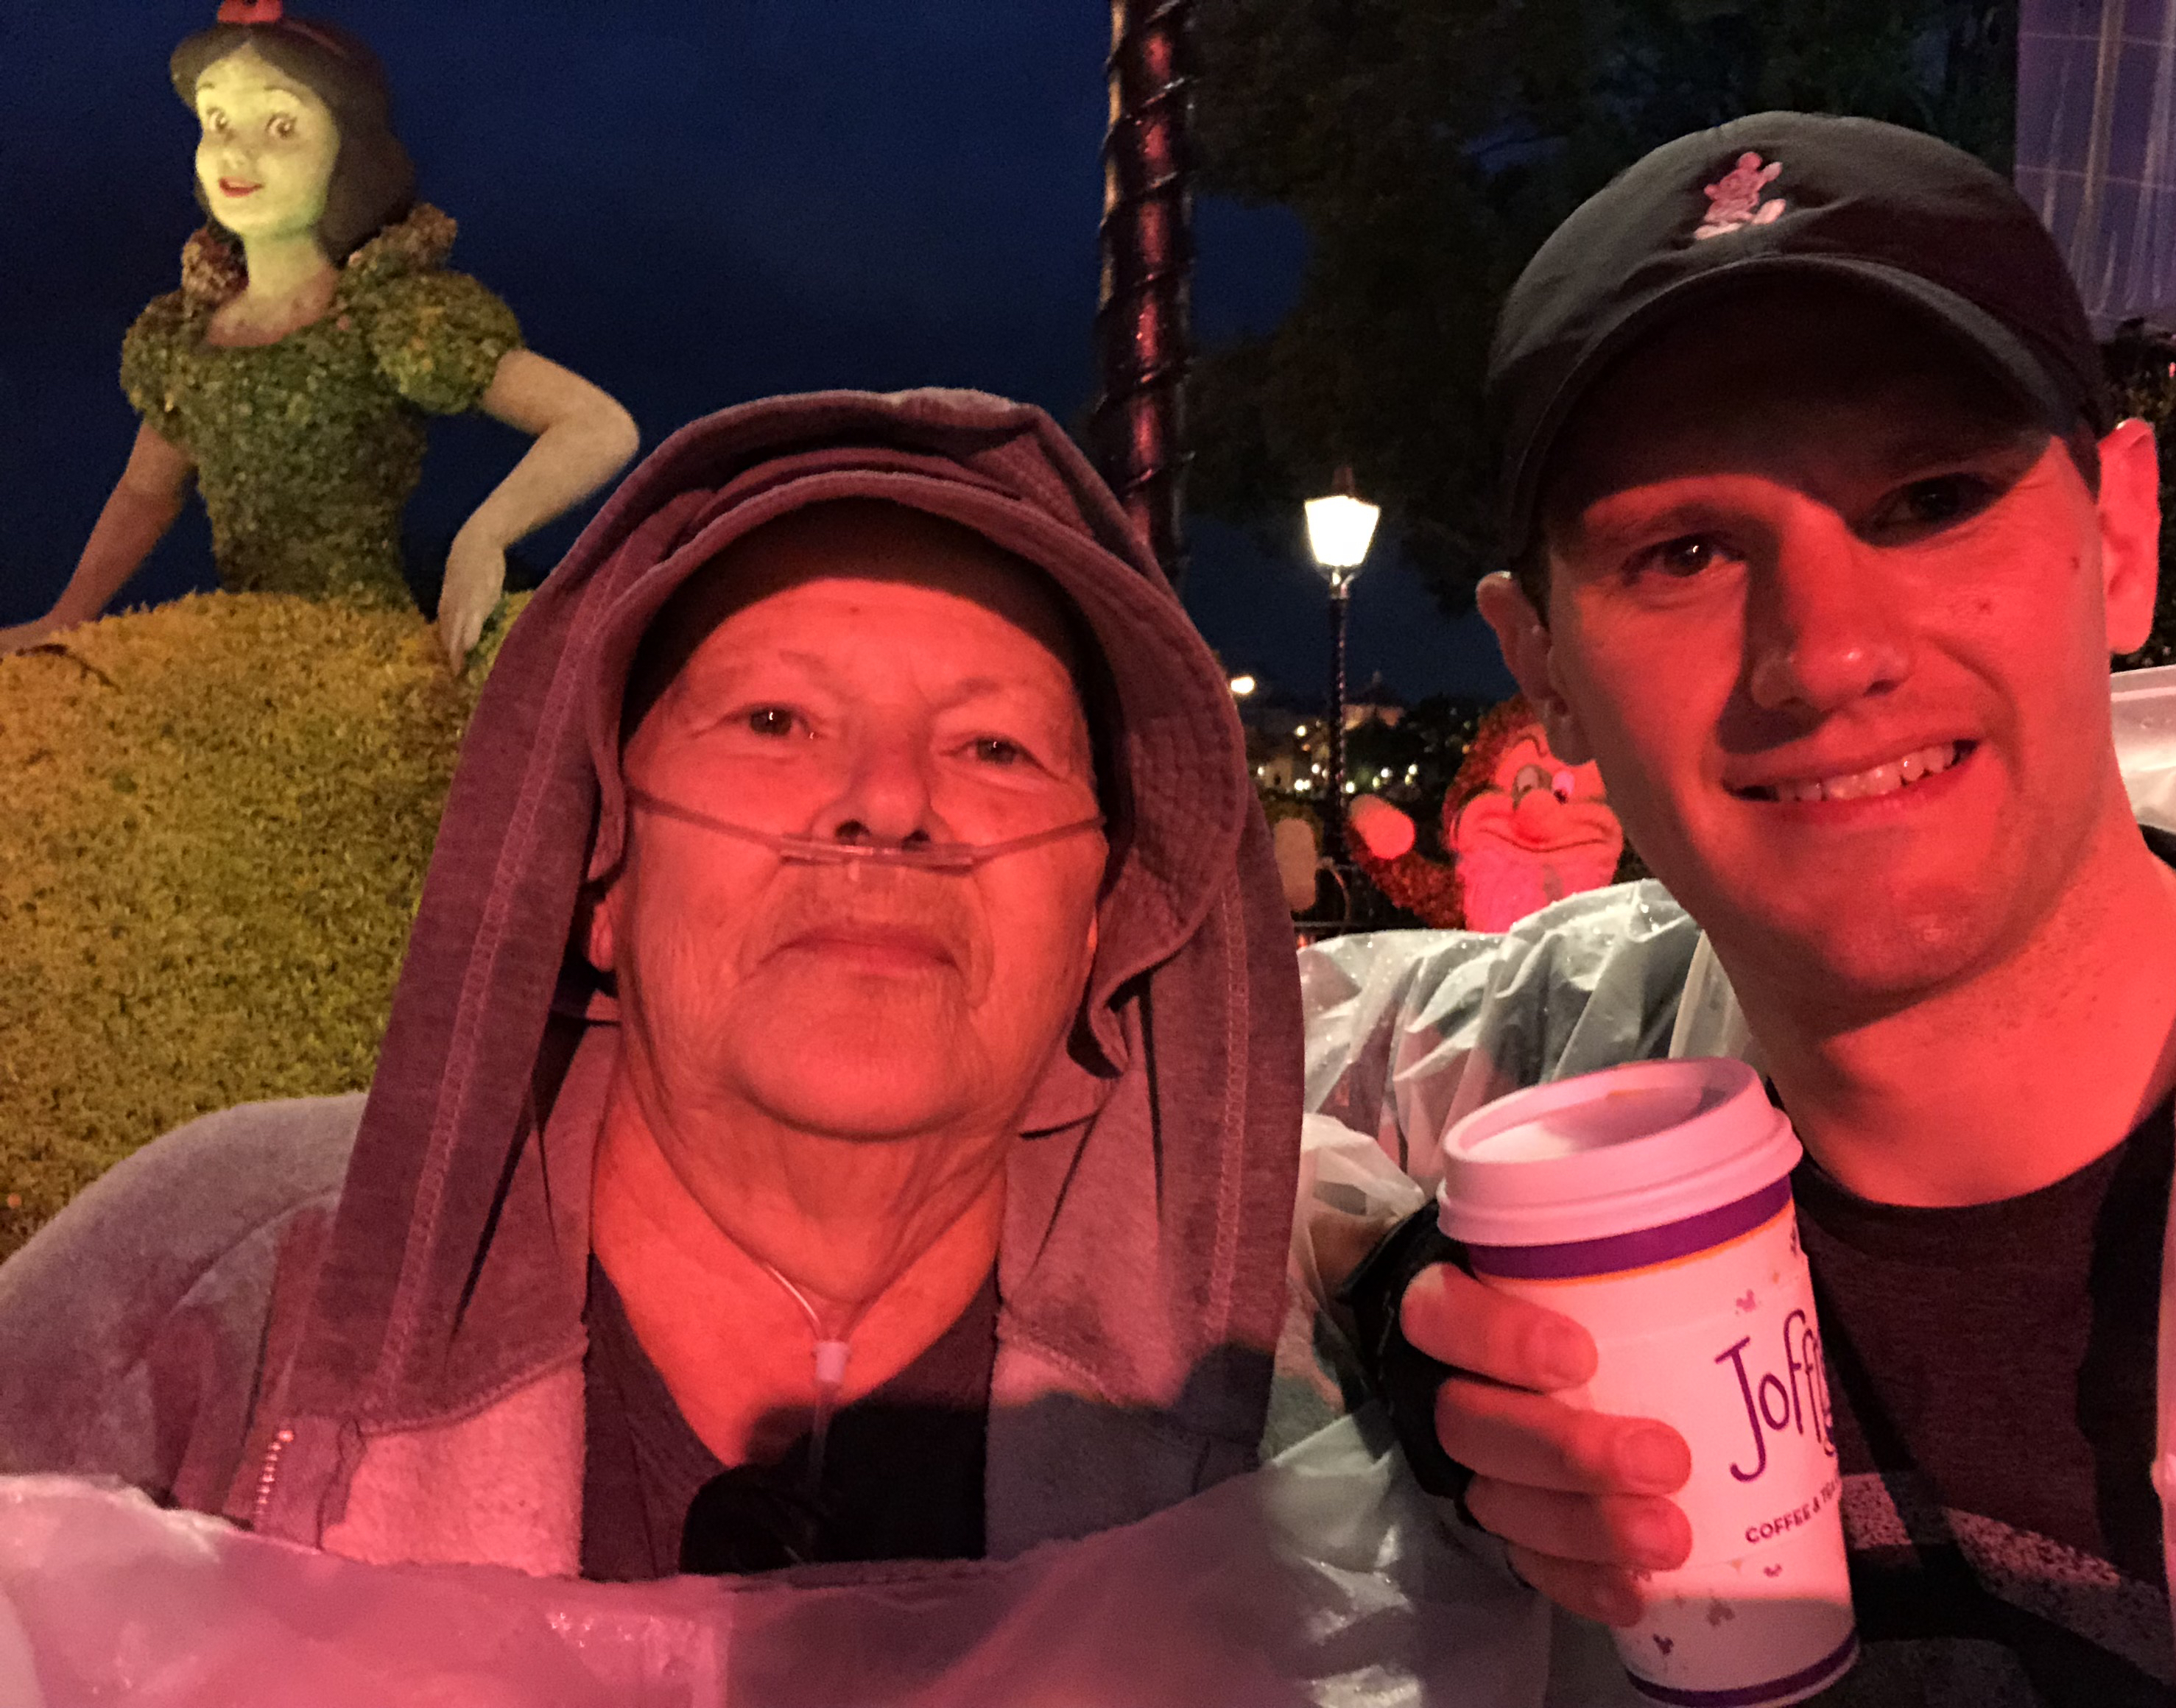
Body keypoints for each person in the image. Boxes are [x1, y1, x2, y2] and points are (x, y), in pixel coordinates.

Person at [0, 387, 1303, 1581]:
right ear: (600, 877)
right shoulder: (202, 1289)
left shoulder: (1301, 1412)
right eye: (775, 722)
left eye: (996, 748)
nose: (889, 803)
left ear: (1102, 920)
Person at [1303, 114, 2176, 1705]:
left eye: (1928, 498)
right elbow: (1142, 1066)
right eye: (1681, 550)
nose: (1823, 654)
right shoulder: (1546, 1056)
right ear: (1541, 667)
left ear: (2118, 534)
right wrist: (1379, 1280)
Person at [0, 4, 638, 673]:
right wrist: (66, 615)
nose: (236, 152)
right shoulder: (185, 339)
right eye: (218, 121)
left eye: (281, 126)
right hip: (242, 645)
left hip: (360, 651)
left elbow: (598, 426)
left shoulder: (389, 319)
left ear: (347, 151)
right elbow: (145, 491)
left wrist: (484, 538)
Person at [1346, 696, 1624, 930]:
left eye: (1562, 792)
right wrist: (1381, 834)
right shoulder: (1468, 886)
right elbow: (1416, 882)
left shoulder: (1625, 894)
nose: (1540, 805)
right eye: (1525, 785)